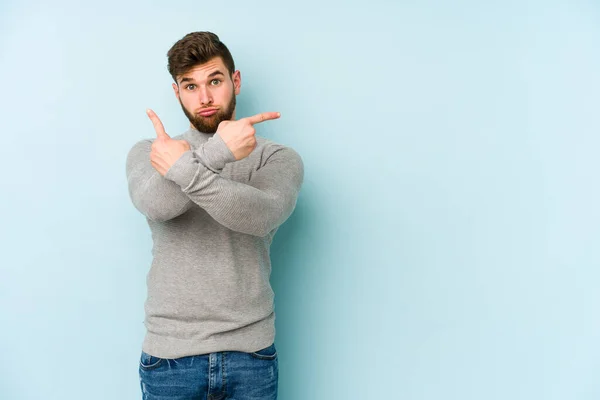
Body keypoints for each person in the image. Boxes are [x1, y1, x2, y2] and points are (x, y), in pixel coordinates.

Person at [125, 31, 304, 400]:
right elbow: (159, 206)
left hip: (251, 355)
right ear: (177, 92)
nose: (204, 98)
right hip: (169, 358)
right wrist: (215, 153)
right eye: (190, 86)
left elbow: (260, 216)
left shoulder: (279, 157)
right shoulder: (151, 153)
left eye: (215, 81)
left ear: (235, 81)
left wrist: (198, 160)